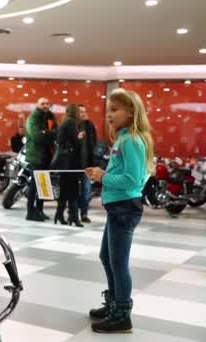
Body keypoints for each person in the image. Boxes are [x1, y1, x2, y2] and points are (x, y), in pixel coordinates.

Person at [85, 88, 154, 333]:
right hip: (118, 208)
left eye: (115, 110)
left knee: (119, 262)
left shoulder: (132, 140)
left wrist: (103, 177)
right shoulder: (124, 139)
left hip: (125, 208)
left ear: (131, 111)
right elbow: (124, 174)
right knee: (107, 257)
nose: (109, 115)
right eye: (108, 111)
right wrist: (101, 173)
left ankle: (122, 313)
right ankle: (114, 303)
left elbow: (133, 180)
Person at [24, 97, 57, 221]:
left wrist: (46, 132)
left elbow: (56, 132)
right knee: (35, 184)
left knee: (43, 184)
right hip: (36, 156)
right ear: (37, 105)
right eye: (42, 103)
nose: (45, 105)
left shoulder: (50, 117)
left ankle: (39, 210)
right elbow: (37, 137)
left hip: (48, 155)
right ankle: (30, 212)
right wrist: (49, 133)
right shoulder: (33, 119)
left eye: (47, 103)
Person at [54, 104, 84, 227]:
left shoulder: (64, 122)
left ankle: (60, 215)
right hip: (70, 163)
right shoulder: (71, 123)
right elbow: (74, 141)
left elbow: (62, 141)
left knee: (66, 189)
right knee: (72, 190)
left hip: (64, 163)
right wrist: (80, 136)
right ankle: (73, 217)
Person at [79, 105, 98, 223]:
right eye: (81, 112)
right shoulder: (72, 125)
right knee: (74, 190)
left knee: (86, 189)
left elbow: (94, 142)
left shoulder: (90, 126)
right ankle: (72, 213)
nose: (84, 114)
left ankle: (84, 213)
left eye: (85, 111)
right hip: (75, 165)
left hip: (87, 164)